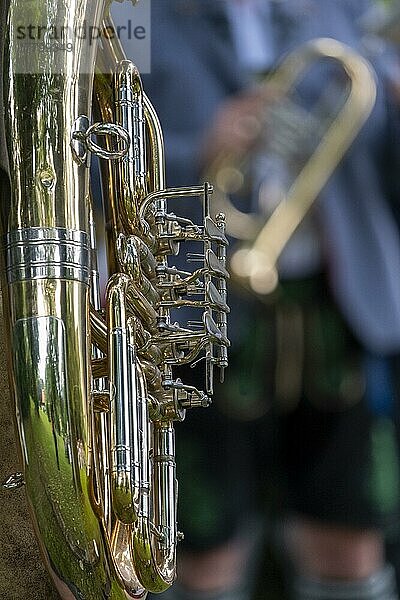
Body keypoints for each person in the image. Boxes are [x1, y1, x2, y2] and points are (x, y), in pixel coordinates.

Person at [117, 1, 400, 599]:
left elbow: (381, 162)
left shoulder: (346, 7)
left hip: (333, 306)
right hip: (189, 308)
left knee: (350, 541)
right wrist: (199, 150)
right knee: (203, 552)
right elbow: (88, 164)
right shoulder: (129, 14)